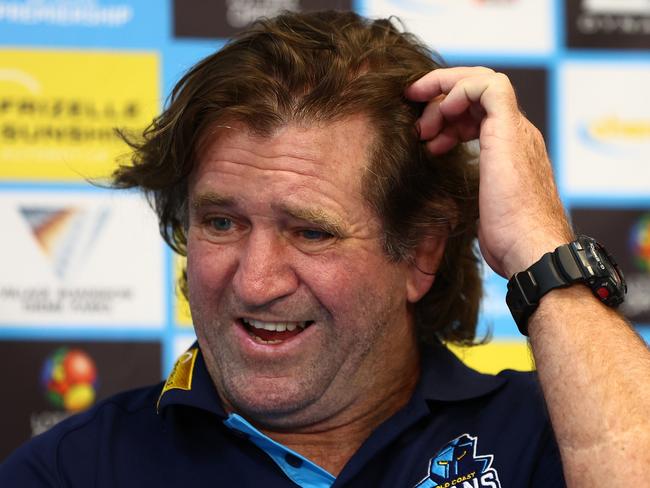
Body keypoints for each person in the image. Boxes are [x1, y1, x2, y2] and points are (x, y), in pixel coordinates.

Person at [1, 10, 649, 487]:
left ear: (420, 253)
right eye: (222, 223)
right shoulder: (75, 469)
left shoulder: (547, 435)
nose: (255, 283)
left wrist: (542, 247)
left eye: (311, 232)